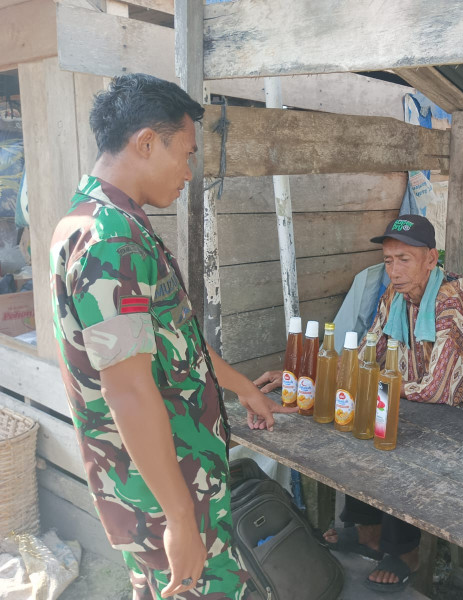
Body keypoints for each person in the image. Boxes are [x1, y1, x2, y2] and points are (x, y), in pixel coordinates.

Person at [50, 74, 294, 600]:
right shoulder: (110, 241)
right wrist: (181, 517)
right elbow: (127, 389)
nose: (188, 173)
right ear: (144, 143)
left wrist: (241, 387)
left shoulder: (101, 219)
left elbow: (171, 336)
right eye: (184, 154)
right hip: (168, 493)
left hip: (164, 484)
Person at [321, 214, 463, 592]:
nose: (394, 270)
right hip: (416, 402)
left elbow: (437, 389)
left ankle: (405, 552)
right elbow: (370, 350)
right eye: (388, 261)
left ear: (431, 260)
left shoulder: (448, 303)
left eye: (404, 259)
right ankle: (367, 530)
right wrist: (325, 376)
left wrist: (376, 385)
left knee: (394, 436)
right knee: (361, 421)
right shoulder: (395, 296)